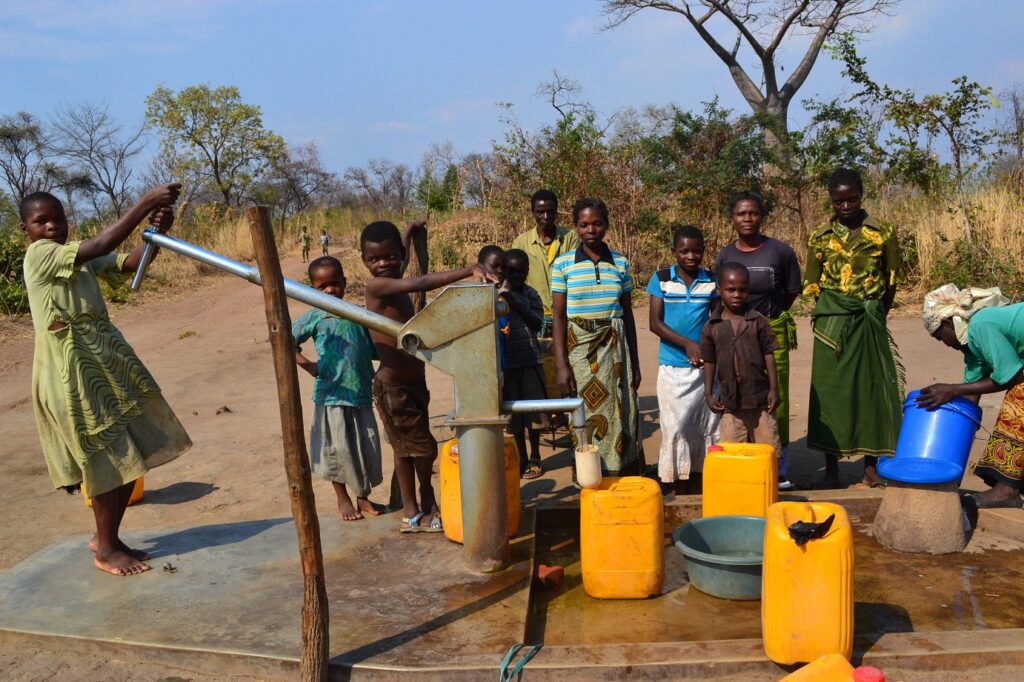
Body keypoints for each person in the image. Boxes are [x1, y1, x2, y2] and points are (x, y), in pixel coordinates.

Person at [21, 184, 191, 576]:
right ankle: (106, 550)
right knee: (104, 461)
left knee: (124, 459)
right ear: (25, 230)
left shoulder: (76, 260)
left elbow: (129, 263)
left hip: (102, 371)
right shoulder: (40, 257)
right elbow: (99, 245)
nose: (51, 227)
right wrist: (145, 203)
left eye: (57, 219)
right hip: (70, 379)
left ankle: (107, 539)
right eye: (40, 221)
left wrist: (156, 233)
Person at [361, 220, 497, 532]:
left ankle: (418, 501)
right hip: (393, 386)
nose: (383, 264)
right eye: (375, 259)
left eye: (390, 256)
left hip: (413, 383)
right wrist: (467, 270)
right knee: (419, 448)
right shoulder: (377, 287)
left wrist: (409, 231)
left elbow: (407, 258)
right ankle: (417, 503)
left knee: (410, 448)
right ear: (364, 261)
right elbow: (420, 282)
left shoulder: (393, 273)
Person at [802, 168, 903, 488]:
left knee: (871, 392)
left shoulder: (882, 231)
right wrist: (834, 314)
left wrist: (875, 314)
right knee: (831, 395)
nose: (845, 206)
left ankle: (871, 468)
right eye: (838, 201)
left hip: (869, 320)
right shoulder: (820, 237)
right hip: (832, 324)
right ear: (831, 201)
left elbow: (891, 281)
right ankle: (831, 468)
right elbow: (811, 284)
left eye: (851, 199)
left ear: (861, 195)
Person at [552, 197, 642, 476]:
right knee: (583, 415)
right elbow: (557, 317)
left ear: (606, 226)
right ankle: (588, 475)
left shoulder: (621, 263)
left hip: (616, 347)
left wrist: (635, 364)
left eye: (597, 223)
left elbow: (627, 315)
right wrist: (561, 365)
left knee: (622, 409)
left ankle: (621, 473)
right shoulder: (563, 265)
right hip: (579, 349)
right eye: (584, 224)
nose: (591, 230)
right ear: (575, 228)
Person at [716, 192, 800, 490]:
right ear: (733, 219)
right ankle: (745, 463)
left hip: (769, 329)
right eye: (741, 214)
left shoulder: (780, 252)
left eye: (753, 213)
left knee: (774, 397)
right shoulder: (726, 255)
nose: (747, 219)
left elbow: (791, 291)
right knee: (736, 388)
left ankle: (780, 467)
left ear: (761, 216)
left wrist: (769, 317)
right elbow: (719, 298)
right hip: (734, 333)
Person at [293, 256, 384, 521]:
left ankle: (363, 497)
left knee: (364, 448)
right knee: (337, 450)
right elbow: (283, 340)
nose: (330, 290)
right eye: (322, 287)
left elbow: (374, 347)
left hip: (361, 395)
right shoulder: (315, 317)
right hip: (331, 395)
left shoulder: (358, 314)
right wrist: (310, 366)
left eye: (334, 284)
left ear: (344, 283)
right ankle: (342, 499)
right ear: (312, 289)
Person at [917, 284, 1023, 508]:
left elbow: (1011, 377)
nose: (945, 344)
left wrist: (952, 389)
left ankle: (1006, 490)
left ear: (947, 323)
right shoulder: (972, 348)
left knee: (1018, 400)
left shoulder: (980, 325)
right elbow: (971, 395)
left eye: (940, 337)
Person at [647, 224, 719, 494]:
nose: (691, 256)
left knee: (705, 425)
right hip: (672, 365)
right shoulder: (661, 279)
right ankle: (675, 480)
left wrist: (703, 347)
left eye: (697, 251)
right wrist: (687, 344)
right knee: (676, 426)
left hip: (703, 366)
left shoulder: (711, 280)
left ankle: (701, 479)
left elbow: (714, 319)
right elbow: (655, 323)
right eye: (684, 251)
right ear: (674, 252)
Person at [510, 190, 581, 434]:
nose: (546, 216)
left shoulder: (570, 238)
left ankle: (569, 420)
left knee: (568, 368)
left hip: (568, 314)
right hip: (537, 317)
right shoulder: (521, 242)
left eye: (550, 210)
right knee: (543, 371)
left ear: (556, 210)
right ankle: (552, 418)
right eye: (540, 211)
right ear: (533, 213)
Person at [701, 263, 783, 463]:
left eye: (742, 290)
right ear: (719, 290)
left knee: (767, 451)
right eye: (730, 290)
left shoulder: (758, 321)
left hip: (760, 401)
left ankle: (771, 485)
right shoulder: (712, 326)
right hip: (731, 404)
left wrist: (774, 388)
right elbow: (710, 361)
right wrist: (708, 392)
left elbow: (769, 355)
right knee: (731, 455)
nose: (737, 294)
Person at [500, 248, 548, 479]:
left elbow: (538, 323)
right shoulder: (497, 295)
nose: (517, 276)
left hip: (530, 360)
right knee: (514, 418)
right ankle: (522, 457)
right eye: (512, 271)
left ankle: (536, 456)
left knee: (534, 415)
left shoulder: (530, 295)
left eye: (522, 271)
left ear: (527, 271)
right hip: (508, 365)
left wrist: (515, 302)